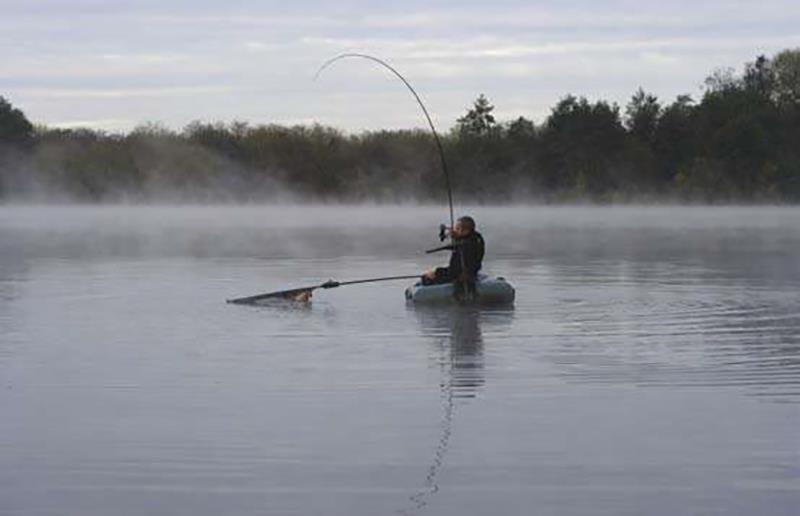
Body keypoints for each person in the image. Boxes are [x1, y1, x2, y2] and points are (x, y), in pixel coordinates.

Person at [422, 216, 485, 296]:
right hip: (471, 272)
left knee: (427, 276)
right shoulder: (477, 238)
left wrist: (456, 238)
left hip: (459, 274)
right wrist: (456, 237)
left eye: (457, 228)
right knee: (436, 271)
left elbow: (463, 248)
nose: (455, 230)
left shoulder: (466, 243)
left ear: (465, 230)